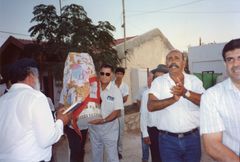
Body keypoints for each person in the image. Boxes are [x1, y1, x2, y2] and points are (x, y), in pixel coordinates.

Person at [0, 58, 71, 162]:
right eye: (38, 76)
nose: (38, 79)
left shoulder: (2, 100)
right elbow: (47, 139)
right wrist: (61, 121)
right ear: (31, 75)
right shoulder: (36, 97)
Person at [148, 49, 205, 162]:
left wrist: (185, 93)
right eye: (169, 59)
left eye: (176, 58)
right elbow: (151, 106)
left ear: (184, 63)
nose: (172, 61)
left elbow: (205, 102)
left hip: (192, 139)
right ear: (166, 63)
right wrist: (173, 99)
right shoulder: (158, 82)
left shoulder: (194, 81)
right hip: (167, 140)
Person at [200, 38, 240, 162]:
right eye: (230, 59)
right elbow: (212, 145)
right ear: (225, 64)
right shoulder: (212, 96)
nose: (236, 64)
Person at [88, 64, 124, 162]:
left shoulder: (115, 91)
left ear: (111, 75)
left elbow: (117, 112)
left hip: (109, 129)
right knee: (96, 156)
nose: (104, 76)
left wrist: (103, 120)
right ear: (99, 74)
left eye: (107, 74)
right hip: (94, 129)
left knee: (112, 157)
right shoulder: (92, 88)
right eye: (102, 73)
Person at [141, 64, 168, 162]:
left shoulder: (171, 93)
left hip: (168, 131)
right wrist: (145, 133)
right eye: (156, 77)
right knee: (156, 158)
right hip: (153, 131)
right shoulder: (147, 93)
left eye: (162, 77)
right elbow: (143, 115)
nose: (158, 80)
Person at [114, 67, 129, 159]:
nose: (119, 75)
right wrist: (118, 98)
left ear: (123, 75)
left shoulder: (125, 86)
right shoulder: (110, 85)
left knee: (120, 131)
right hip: (110, 110)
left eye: (121, 74)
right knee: (111, 131)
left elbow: (125, 99)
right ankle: (112, 150)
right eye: (117, 73)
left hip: (120, 111)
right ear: (115, 74)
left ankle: (119, 151)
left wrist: (114, 99)